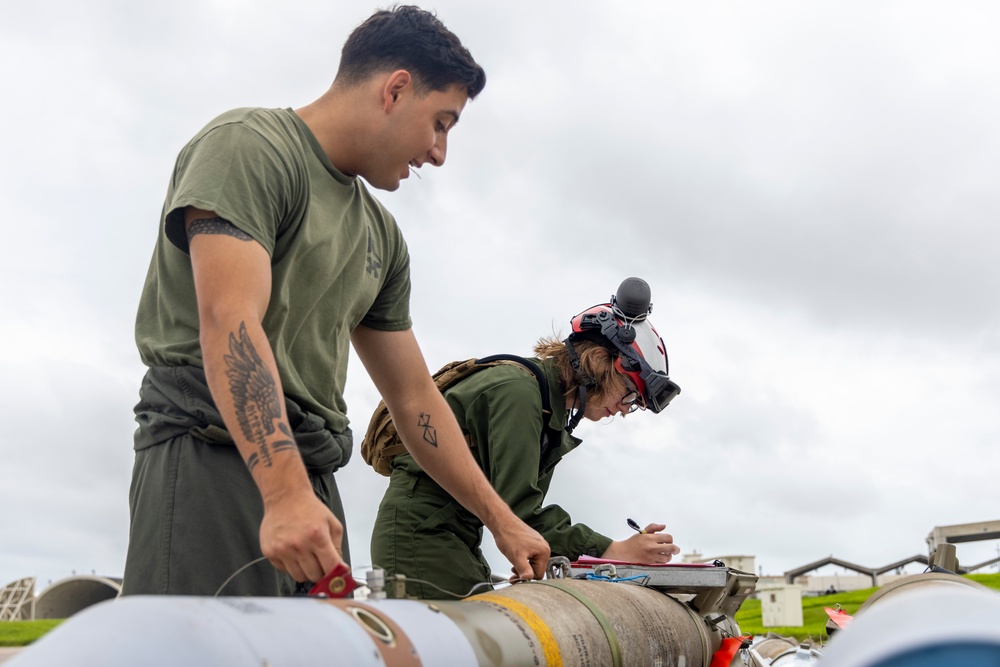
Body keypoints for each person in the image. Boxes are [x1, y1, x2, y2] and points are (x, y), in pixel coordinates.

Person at [123, 5, 549, 597]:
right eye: (441, 122)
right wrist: (283, 493)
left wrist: (503, 521)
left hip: (313, 475)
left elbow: (413, 395)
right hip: (213, 454)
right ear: (396, 89)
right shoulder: (250, 147)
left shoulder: (382, 237)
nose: (439, 153)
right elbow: (230, 319)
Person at [370, 278, 683, 599]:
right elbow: (521, 510)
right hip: (422, 539)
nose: (624, 410)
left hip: (451, 537)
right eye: (630, 396)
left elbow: (518, 514)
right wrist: (614, 549)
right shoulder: (519, 394)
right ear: (603, 363)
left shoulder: (547, 408)